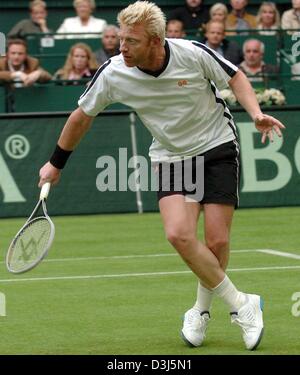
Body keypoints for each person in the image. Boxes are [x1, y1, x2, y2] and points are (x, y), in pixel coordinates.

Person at [38, 1, 285, 350]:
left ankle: (200, 311)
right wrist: (55, 163)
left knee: (217, 242)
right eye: (121, 38)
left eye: (131, 41)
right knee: (179, 235)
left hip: (216, 145)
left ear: (156, 41)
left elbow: (235, 76)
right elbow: (81, 116)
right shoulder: (113, 72)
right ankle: (243, 304)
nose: (121, 46)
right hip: (170, 156)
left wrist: (256, 112)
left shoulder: (192, 53)